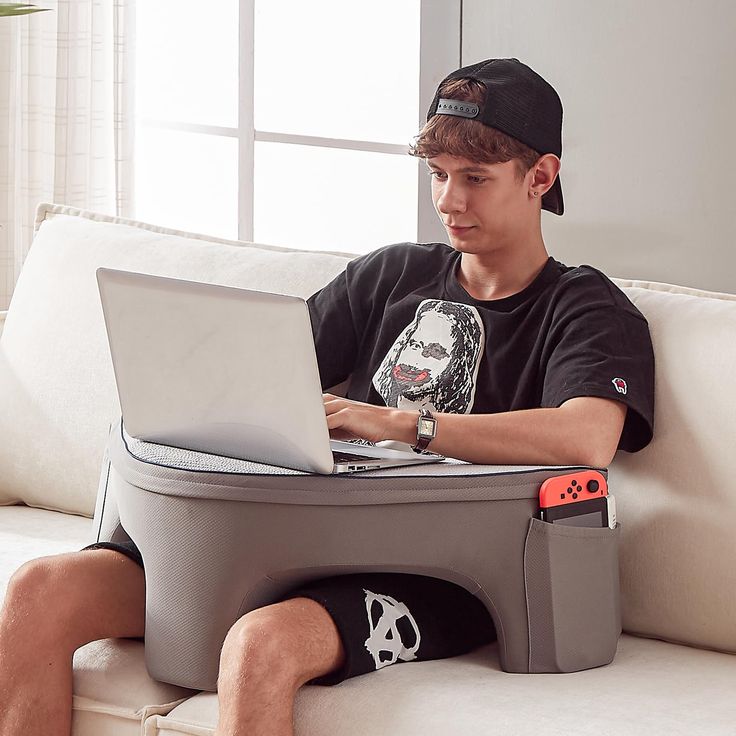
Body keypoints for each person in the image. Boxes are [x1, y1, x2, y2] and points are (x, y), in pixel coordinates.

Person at [0, 58, 655, 736]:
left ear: (540, 177)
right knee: (38, 592)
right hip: (283, 544)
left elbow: (585, 437)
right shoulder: (392, 274)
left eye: (475, 180)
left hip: (434, 575)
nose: (448, 202)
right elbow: (259, 379)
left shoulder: (585, 308)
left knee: (261, 646)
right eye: (438, 176)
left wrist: (401, 424)